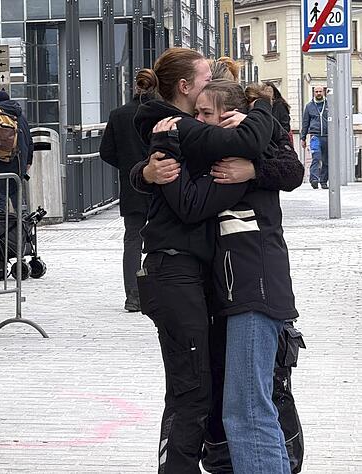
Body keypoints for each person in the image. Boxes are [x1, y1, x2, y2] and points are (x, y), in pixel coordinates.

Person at [129, 47, 278, 473]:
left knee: (202, 385)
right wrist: (262, 108)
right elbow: (245, 146)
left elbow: (286, 169)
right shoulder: (174, 126)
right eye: (204, 75)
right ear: (185, 86)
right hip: (173, 269)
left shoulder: (188, 126)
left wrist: (255, 168)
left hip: (198, 273)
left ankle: (215, 460)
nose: (211, 78)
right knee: (191, 390)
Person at [149, 79, 303, 473]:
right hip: (237, 293)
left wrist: (253, 156)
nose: (195, 120)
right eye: (194, 112)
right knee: (243, 407)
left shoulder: (237, 158)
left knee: (248, 409)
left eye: (204, 114)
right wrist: (147, 172)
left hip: (255, 289)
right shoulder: (230, 151)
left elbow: (292, 169)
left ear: (230, 117)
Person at [99, 86, 152, 312]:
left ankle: (133, 295)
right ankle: (157, 292)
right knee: (166, 237)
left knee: (132, 240)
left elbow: (106, 151)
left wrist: (127, 167)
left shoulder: (118, 114)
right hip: (162, 185)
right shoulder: (159, 113)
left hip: (132, 185)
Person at [0, 90, 33, 214]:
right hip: (18, 162)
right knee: (17, 196)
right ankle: (23, 227)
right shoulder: (20, 116)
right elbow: (29, 140)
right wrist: (28, 161)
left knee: (1, 197)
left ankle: (1, 228)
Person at [301, 86, 329, 189]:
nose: (318, 93)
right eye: (316, 91)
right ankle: (314, 179)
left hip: (327, 136)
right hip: (315, 136)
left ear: (323, 92)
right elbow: (305, 123)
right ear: (314, 93)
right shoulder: (309, 106)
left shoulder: (329, 104)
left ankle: (324, 181)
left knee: (326, 160)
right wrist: (302, 138)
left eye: (320, 91)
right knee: (316, 157)